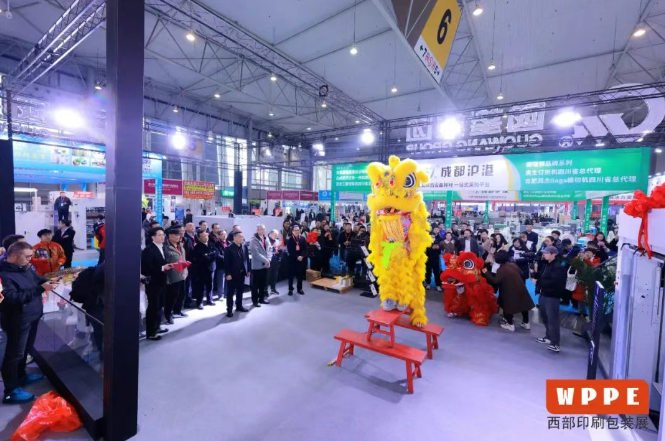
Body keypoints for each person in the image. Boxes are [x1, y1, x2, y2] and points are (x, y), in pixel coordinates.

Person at [0, 242, 58, 404]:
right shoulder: (3, 274)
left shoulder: (24, 267)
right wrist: (41, 289)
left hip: (32, 316)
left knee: (25, 350)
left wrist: (48, 281)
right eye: (27, 256)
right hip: (17, 320)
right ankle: (11, 391)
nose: (30, 260)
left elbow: (37, 279)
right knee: (14, 354)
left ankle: (21, 376)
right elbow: (11, 299)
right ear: (13, 256)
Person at [482, 250, 535, 332]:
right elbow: (522, 275)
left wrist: (486, 272)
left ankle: (510, 324)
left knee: (507, 306)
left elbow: (495, 281)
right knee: (524, 306)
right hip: (521, 288)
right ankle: (526, 323)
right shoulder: (513, 265)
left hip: (509, 291)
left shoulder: (501, 269)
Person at [531, 246, 567, 353]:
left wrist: (538, 282)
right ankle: (549, 336)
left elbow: (554, 282)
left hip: (552, 296)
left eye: (546, 253)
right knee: (545, 317)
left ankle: (555, 343)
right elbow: (541, 276)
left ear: (553, 254)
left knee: (552, 319)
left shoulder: (558, 267)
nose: (544, 255)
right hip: (544, 294)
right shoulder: (546, 264)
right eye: (544, 253)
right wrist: (535, 273)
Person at [141, 227, 173, 341]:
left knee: (160, 305)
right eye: (159, 235)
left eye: (163, 234)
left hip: (162, 281)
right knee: (153, 307)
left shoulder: (162, 247)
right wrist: (162, 268)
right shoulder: (148, 250)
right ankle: (150, 332)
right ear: (153, 237)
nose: (162, 237)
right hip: (153, 283)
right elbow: (145, 268)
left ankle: (157, 326)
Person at [163, 227, 188, 324]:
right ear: (169, 236)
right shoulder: (165, 247)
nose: (178, 237)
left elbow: (183, 259)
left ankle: (178, 310)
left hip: (182, 274)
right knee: (171, 296)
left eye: (178, 235)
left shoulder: (180, 245)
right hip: (172, 275)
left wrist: (186, 270)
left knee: (181, 294)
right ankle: (168, 314)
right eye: (175, 235)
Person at [224, 231, 251, 317]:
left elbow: (247, 259)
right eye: (239, 236)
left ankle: (239, 306)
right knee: (230, 293)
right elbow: (226, 263)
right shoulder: (229, 248)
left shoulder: (244, 246)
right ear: (234, 237)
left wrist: (248, 270)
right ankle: (229, 310)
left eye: (242, 236)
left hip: (242, 273)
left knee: (240, 291)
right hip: (232, 274)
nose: (241, 238)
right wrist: (228, 274)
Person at [191, 231, 218, 309]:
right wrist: (210, 255)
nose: (206, 238)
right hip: (201, 270)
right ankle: (199, 302)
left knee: (210, 285)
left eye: (206, 236)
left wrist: (209, 255)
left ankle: (210, 299)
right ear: (199, 238)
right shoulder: (197, 247)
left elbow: (216, 253)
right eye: (203, 236)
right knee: (201, 287)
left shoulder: (211, 244)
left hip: (211, 269)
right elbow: (202, 258)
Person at [249, 224, 271, 307]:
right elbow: (256, 254)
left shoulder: (266, 238)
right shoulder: (253, 240)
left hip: (265, 265)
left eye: (263, 229)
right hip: (257, 266)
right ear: (257, 230)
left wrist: (269, 259)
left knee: (263, 284)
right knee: (255, 285)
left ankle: (262, 299)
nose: (262, 231)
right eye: (260, 229)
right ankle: (255, 301)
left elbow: (269, 250)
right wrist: (266, 260)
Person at [286, 225, 307, 295]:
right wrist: (297, 256)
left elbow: (305, 249)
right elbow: (290, 250)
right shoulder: (290, 240)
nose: (297, 231)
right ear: (292, 231)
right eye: (295, 230)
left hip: (301, 260)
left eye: (298, 230)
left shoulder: (302, 238)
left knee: (300, 275)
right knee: (291, 275)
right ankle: (290, 289)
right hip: (292, 260)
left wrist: (302, 256)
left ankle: (299, 289)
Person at [210, 225, 227, 300]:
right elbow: (217, 254)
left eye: (225, 234)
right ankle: (221, 295)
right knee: (221, 280)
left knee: (227, 280)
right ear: (218, 236)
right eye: (222, 234)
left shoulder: (229, 242)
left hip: (228, 264)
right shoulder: (216, 244)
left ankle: (226, 293)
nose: (224, 236)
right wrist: (226, 258)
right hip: (221, 264)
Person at [182, 223, 197, 308]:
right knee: (186, 283)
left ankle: (188, 297)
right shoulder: (186, 238)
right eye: (191, 226)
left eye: (193, 226)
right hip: (187, 263)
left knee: (190, 282)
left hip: (193, 263)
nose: (193, 227)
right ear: (186, 228)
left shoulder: (195, 236)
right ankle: (185, 300)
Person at [267, 230, 282, 295]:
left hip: (275, 260)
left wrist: (279, 254)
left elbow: (279, 250)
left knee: (274, 275)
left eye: (276, 235)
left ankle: (273, 289)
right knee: (267, 276)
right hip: (268, 260)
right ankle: (265, 290)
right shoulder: (266, 241)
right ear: (271, 234)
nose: (276, 236)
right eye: (274, 235)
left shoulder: (277, 241)